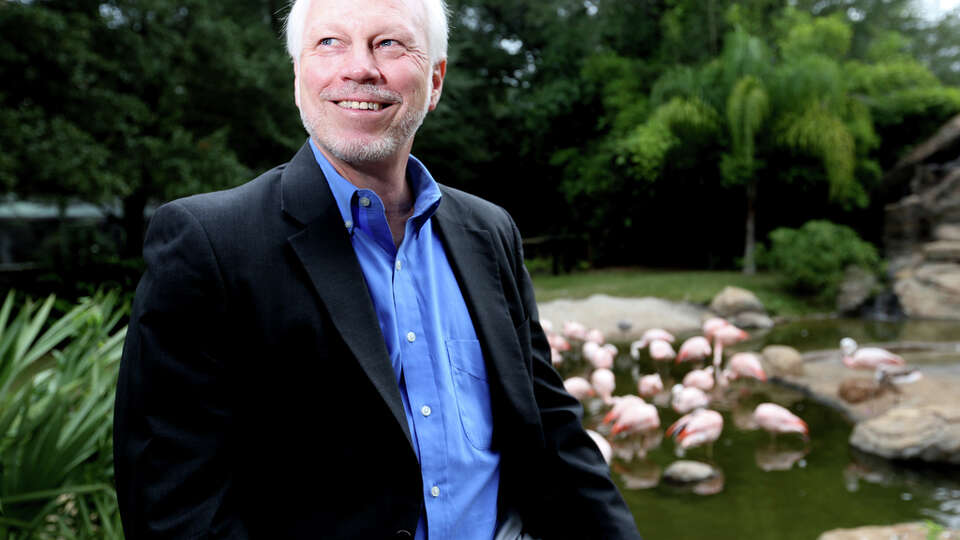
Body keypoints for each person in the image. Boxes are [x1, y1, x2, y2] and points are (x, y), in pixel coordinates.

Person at [112, 0, 642, 538]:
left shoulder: (490, 231)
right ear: (299, 76)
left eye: (389, 43)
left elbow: (552, 426)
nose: (360, 67)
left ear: (434, 81)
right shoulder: (211, 244)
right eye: (329, 43)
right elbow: (173, 508)